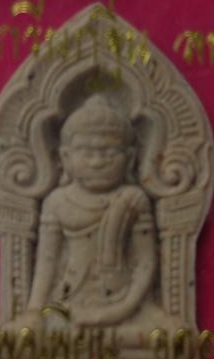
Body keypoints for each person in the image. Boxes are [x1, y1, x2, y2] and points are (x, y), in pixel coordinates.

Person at [24, 93, 163, 329]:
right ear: (66, 158)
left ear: (130, 158)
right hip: (69, 300)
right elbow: (47, 263)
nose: (97, 162)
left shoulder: (134, 199)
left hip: (124, 301)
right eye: (86, 153)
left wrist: (121, 309)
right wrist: (34, 311)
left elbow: (145, 263)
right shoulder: (57, 202)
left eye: (109, 153)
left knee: (169, 337)